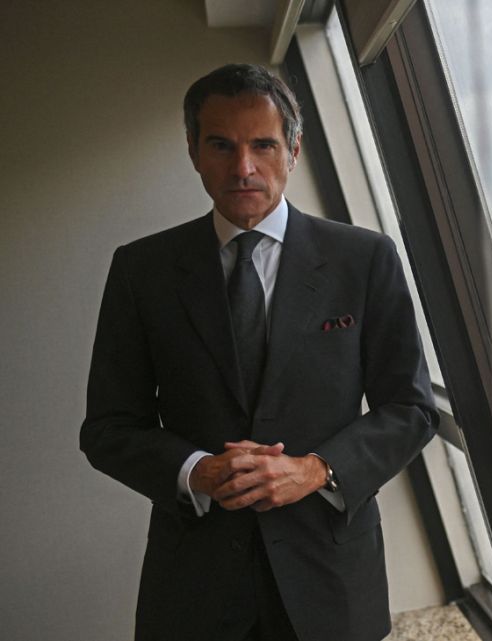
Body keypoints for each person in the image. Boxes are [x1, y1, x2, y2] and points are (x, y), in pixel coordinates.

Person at [80, 63, 438, 641]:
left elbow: (412, 409)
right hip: (194, 586)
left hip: (331, 580)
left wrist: (314, 470)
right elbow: (108, 428)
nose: (243, 167)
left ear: (293, 150)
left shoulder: (364, 260)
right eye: (221, 145)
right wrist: (198, 471)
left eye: (263, 145)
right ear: (194, 151)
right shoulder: (140, 270)